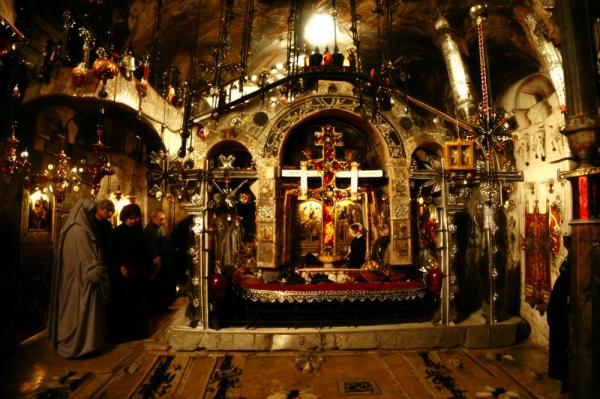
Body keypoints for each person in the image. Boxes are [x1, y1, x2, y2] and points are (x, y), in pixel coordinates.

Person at [48, 198, 115, 358]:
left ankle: (83, 345)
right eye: (90, 212)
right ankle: (76, 346)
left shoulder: (79, 229)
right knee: (76, 313)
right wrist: (100, 273)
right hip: (78, 282)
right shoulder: (78, 231)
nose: (93, 216)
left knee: (74, 312)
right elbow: (89, 262)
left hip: (77, 279)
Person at [108, 203, 151, 343]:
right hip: (123, 273)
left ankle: (137, 332)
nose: (133, 221)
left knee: (138, 303)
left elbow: (144, 251)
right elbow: (113, 252)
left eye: (136, 218)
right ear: (125, 218)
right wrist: (120, 266)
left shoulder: (140, 230)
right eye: (131, 218)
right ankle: (123, 334)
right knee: (123, 303)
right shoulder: (118, 232)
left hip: (138, 273)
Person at [547, 236, 571, 394]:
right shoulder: (570, 258)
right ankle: (563, 379)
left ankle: (567, 380)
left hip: (564, 312)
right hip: (559, 310)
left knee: (565, 348)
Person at [144, 208, 176, 313]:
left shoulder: (160, 228)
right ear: (154, 218)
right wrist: (156, 259)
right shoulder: (149, 231)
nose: (164, 221)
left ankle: (163, 306)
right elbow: (152, 246)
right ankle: (156, 308)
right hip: (157, 264)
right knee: (157, 287)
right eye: (161, 219)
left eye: (164, 219)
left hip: (165, 262)